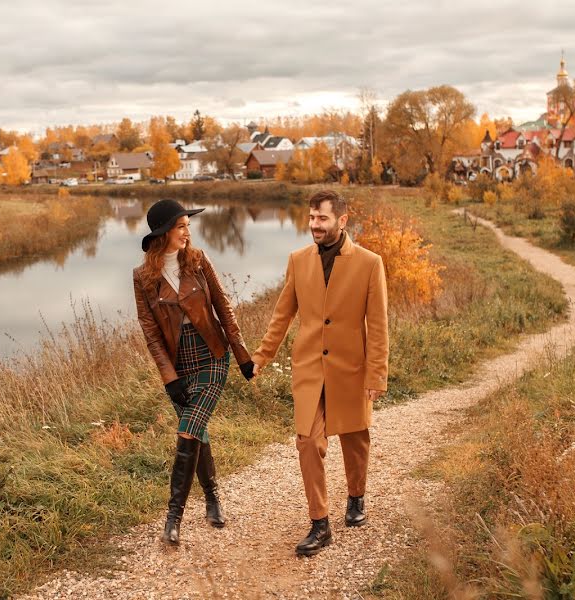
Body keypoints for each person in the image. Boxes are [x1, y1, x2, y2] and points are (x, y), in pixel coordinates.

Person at [251, 189, 389, 557]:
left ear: (342, 221)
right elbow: (283, 315)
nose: (314, 225)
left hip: (351, 369)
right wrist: (261, 357)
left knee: (355, 440)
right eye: (311, 218)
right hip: (310, 367)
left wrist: (377, 374)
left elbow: (377, 325)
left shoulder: (369, 263)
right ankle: (320, 523)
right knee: (308, 442)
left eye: (322, 219)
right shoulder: (298, 261)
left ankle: (356, 497)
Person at [133, 198, 255, 546]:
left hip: (212, 355)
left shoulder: (198, 262)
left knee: (188, 430)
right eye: (181, 226)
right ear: (164, 233)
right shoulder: (142, 278)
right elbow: (151, 334)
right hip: (180, 364)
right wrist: (169, 379)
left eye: (188, 226)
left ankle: (173, 519)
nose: (188, 232)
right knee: (197, 430)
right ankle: (213, 498)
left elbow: (223, 306)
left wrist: (242, 354)